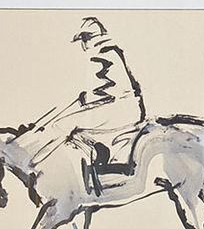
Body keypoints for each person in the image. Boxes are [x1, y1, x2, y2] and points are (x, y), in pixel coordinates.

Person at [14, 18, 148, 189]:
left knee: (62, 125)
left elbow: (108, 90)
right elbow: (101, 88)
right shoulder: (108, 51)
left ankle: (31, 163)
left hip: (120, 108)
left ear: (88, 38)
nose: (83, 45)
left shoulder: (101, 52)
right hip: (123, 106)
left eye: (83, 40)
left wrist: (83, 102)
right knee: (65, 117)